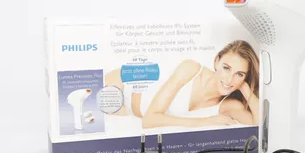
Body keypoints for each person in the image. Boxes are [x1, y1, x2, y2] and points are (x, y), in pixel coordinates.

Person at [104, 40, 259, 128]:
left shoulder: (228, 105)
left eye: (239, 74)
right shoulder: (191, 69)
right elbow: (149, 119)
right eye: (226, 68)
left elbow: (259, 125)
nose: (229, 80)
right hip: (124, 83)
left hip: (126, 111)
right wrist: (203, 122)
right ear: (216, 61)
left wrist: (246, 88)